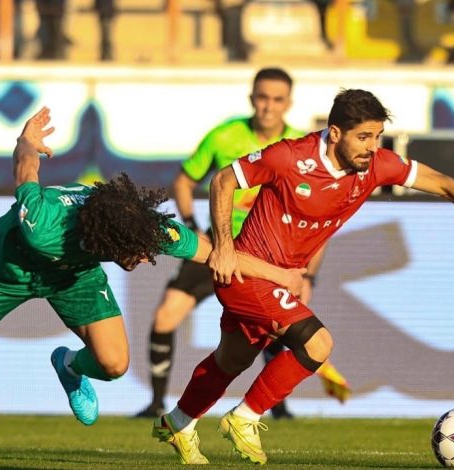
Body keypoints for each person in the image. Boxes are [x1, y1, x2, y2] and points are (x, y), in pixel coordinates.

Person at [0, 107, 306, 465]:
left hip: (73, 276)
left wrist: (279, 274)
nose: (143, 259)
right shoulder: (44, 225)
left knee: (114, 364)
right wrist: (26, 140)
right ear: (107, 242)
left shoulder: (139, 226)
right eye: (135, 254)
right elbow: (26, 171)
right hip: (5, 271)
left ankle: (69, 365)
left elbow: (215, 253)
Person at [152, 89, 454, 465]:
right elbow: (223, 181)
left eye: (377, 136)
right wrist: (224, 247)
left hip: (282, 280)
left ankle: (179, 423)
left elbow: (443, 182)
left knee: (232, 359)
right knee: (318, 344)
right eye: (363, 137)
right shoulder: (289, 156)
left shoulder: (376, 165)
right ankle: (245, 418)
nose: (372, 147)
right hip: (247, 273)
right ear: (335, 133)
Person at [134, 67, 351, 421]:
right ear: (252, 99)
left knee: (271, 330)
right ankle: (157, 403)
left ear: (288, 104)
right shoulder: (224, 136)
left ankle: (277, 407)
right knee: (165, 316)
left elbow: (319, 222)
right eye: (262, 97)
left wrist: (310, 276)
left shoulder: (303, 146)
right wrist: (194, 227)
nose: (268, 106)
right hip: (221, 248)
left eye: (277, 99)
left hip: (271, 255)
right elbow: (184, 182)